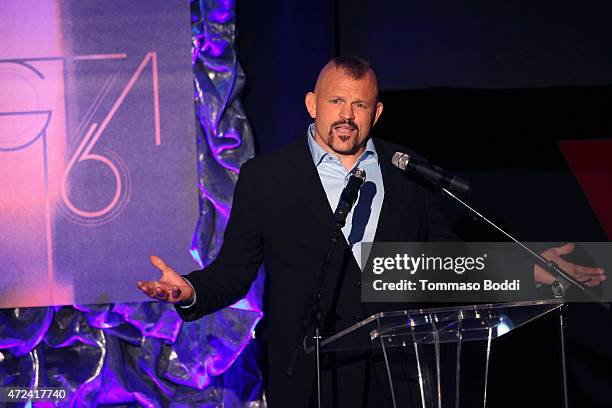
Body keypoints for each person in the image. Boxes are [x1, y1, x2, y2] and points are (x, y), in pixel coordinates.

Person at [137, 56, 605, 407]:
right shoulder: (266, 177)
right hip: (308, 374)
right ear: (312, 104)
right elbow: (236, 271)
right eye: (336, 100)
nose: (346, 113)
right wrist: (191, 290)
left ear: (375, 113)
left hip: (398, 374)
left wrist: (536, 270)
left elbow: (451, 264)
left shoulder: (407, 170)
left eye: (359, 103)